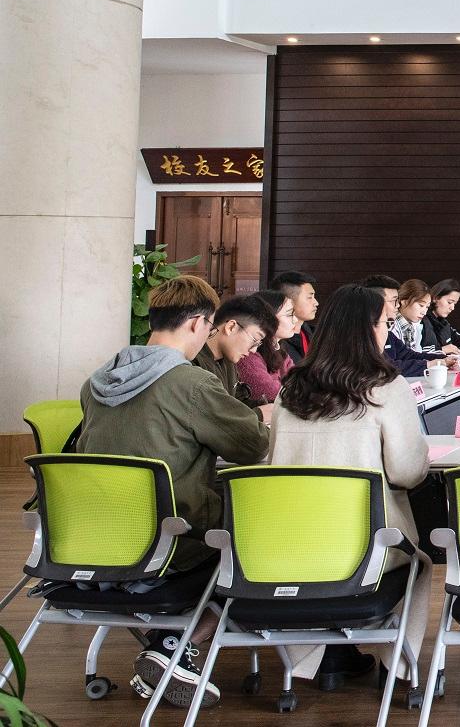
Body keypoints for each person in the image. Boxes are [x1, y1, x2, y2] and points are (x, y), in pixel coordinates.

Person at [77, 275, 270, 707]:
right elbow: (252, 446)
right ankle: (177, 645)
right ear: (200, 323)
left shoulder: (96, 382)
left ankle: (168, 647)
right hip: (170, 540)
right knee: (261, 535)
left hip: (90, 539)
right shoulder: (190, 383)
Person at [268, 285, 430, 689]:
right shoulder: (386, 388)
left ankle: (325, 655)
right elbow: (408, 473)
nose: (386, 331)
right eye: (384, 323)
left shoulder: (290, 389)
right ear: (368, 329)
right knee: (420, 563)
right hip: (364, 548)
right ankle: (398, 666)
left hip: (288, 545)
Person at [195, 293, 278, 406]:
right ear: (231, 327)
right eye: (254, 339)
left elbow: (236, 402)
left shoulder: (229, 362)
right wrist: (259, 413)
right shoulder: (195, 365)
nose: (253, 350)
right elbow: (216, 413)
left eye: (258, 343)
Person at [363, 274, 452, 377]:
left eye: (427, 307)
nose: (398, 305)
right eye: (393, 301)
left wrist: (442, 359)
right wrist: (429, 364)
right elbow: (384, 367)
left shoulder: (392, 332)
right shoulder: (365, 332)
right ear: (375, 301)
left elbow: (408, 354)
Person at [237, 289, 299, 405]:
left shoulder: (280, 351)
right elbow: (270, 394)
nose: (295, 320)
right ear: (268, 318)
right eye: (289, 314)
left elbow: (300, 383)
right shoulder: (248, 354)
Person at [271, 270, 320, 363]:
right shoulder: (274, 341)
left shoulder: (315, 334)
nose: (316, 303)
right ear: (287, 300)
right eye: (310, 297)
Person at [392, 279, 435, 352]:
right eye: (421, 305)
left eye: (427, 307)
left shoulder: (415, 326)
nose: (424, 312)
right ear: (404, 301)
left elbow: (416, 354)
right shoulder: (391, 326)